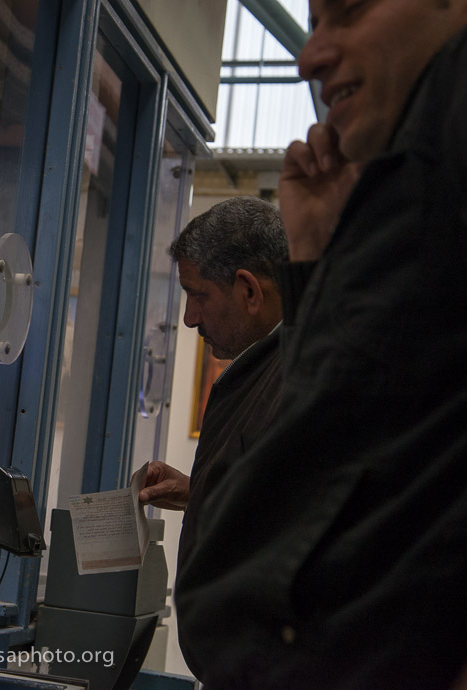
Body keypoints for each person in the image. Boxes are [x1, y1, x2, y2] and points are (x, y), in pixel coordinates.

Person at [175, 1, 467, 689]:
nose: (309, 56)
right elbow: (340, 427)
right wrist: (317, 257)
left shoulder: (448, 129)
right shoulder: (415, 189)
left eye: (349, 10)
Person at [136, 196, 287, 670]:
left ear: (248, 290)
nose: (189, 318)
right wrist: (198, 491)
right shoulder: (271, 368)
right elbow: (268, 492)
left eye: (197, 295)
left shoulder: (301, 379)